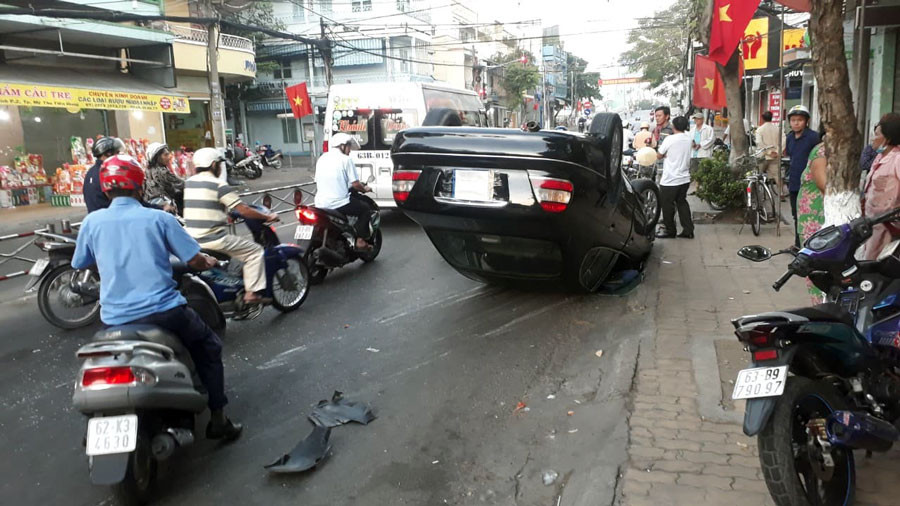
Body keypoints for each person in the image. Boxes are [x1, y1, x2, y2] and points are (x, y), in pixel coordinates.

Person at [71, 154, 242, 441]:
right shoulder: (159, 218)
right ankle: (218, 419)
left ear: (105, 190)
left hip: (114, 318)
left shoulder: (92, 222)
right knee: (209, 346)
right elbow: (194, 259)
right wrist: (209, 262)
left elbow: (82, 263)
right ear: (140, 188)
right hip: (164, 312)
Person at [183, 147, 277, 305]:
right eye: (220, 165)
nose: (221, 168)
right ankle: (251, 293)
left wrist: (226, 213)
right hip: (213, 239)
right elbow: (244, 210)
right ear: (214, 165)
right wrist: (268, 217)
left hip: (191, 239)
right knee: (255, 251)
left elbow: (208, 205)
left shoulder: (189, 183)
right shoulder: (219, 185)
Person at [314, 133, 373, 250]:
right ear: (342, 146)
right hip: (339, 203)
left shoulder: (322, 158)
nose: (350, 150)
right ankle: (360, 240)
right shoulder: (346, 160)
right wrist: (365, 189)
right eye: (349, 147)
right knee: (365, 209)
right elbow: (355, 184)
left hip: (320, 203)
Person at [862, 113, 900, 260]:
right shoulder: (880, 157)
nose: (873, 138)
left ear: (887, 138)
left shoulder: (897, 159)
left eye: (876, 134)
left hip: (888, 227)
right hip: (872, 223)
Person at [796, 137, 828, 303]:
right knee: (815, 263)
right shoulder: (821, 151)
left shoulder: (842, 153)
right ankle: (820, 306)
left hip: (822, 216)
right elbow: (824, 185)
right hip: (815, 218)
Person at [784, 105, 820, 247]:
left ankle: (810, 245)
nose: (796, 123)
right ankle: (798, 244)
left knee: (810, 216)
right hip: (793, 182)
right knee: (796, 215)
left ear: (806, 121)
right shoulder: (789, 138)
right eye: (793, 120)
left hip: (810, 184)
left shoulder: (813, 137)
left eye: (799, 120)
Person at [656, 116, 694, 239]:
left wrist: (665, 154)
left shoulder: (669, 139)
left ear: (673, 127)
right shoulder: (688, 138)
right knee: (682, 203)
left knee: (667, 206)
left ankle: (670, 230)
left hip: (670, 179)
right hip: (684, 178)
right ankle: (688, 230)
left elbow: (659, 155)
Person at [83, 137, 126, 213]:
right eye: (117, 152)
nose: (119, 155)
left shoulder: (91, 172)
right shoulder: (108, 172)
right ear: (108, 154)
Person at [144, 142, 185, 212]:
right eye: (165, 155)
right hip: (163, 206)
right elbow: (182, 184)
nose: (169, 157)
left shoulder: (148, 170)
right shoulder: (162, 172)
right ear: (157, 157)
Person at [755, 111, 781, 186]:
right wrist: (777, 151)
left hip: (763, 156)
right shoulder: (778, 129)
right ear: (771, 118)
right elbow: (783, 141)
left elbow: (759, 143)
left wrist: (769, 152)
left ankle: (758, 192)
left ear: (762, 119)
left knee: (758, 175)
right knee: (777, 176)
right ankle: (782, 193)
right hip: (775, 156)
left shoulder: (759, 130)